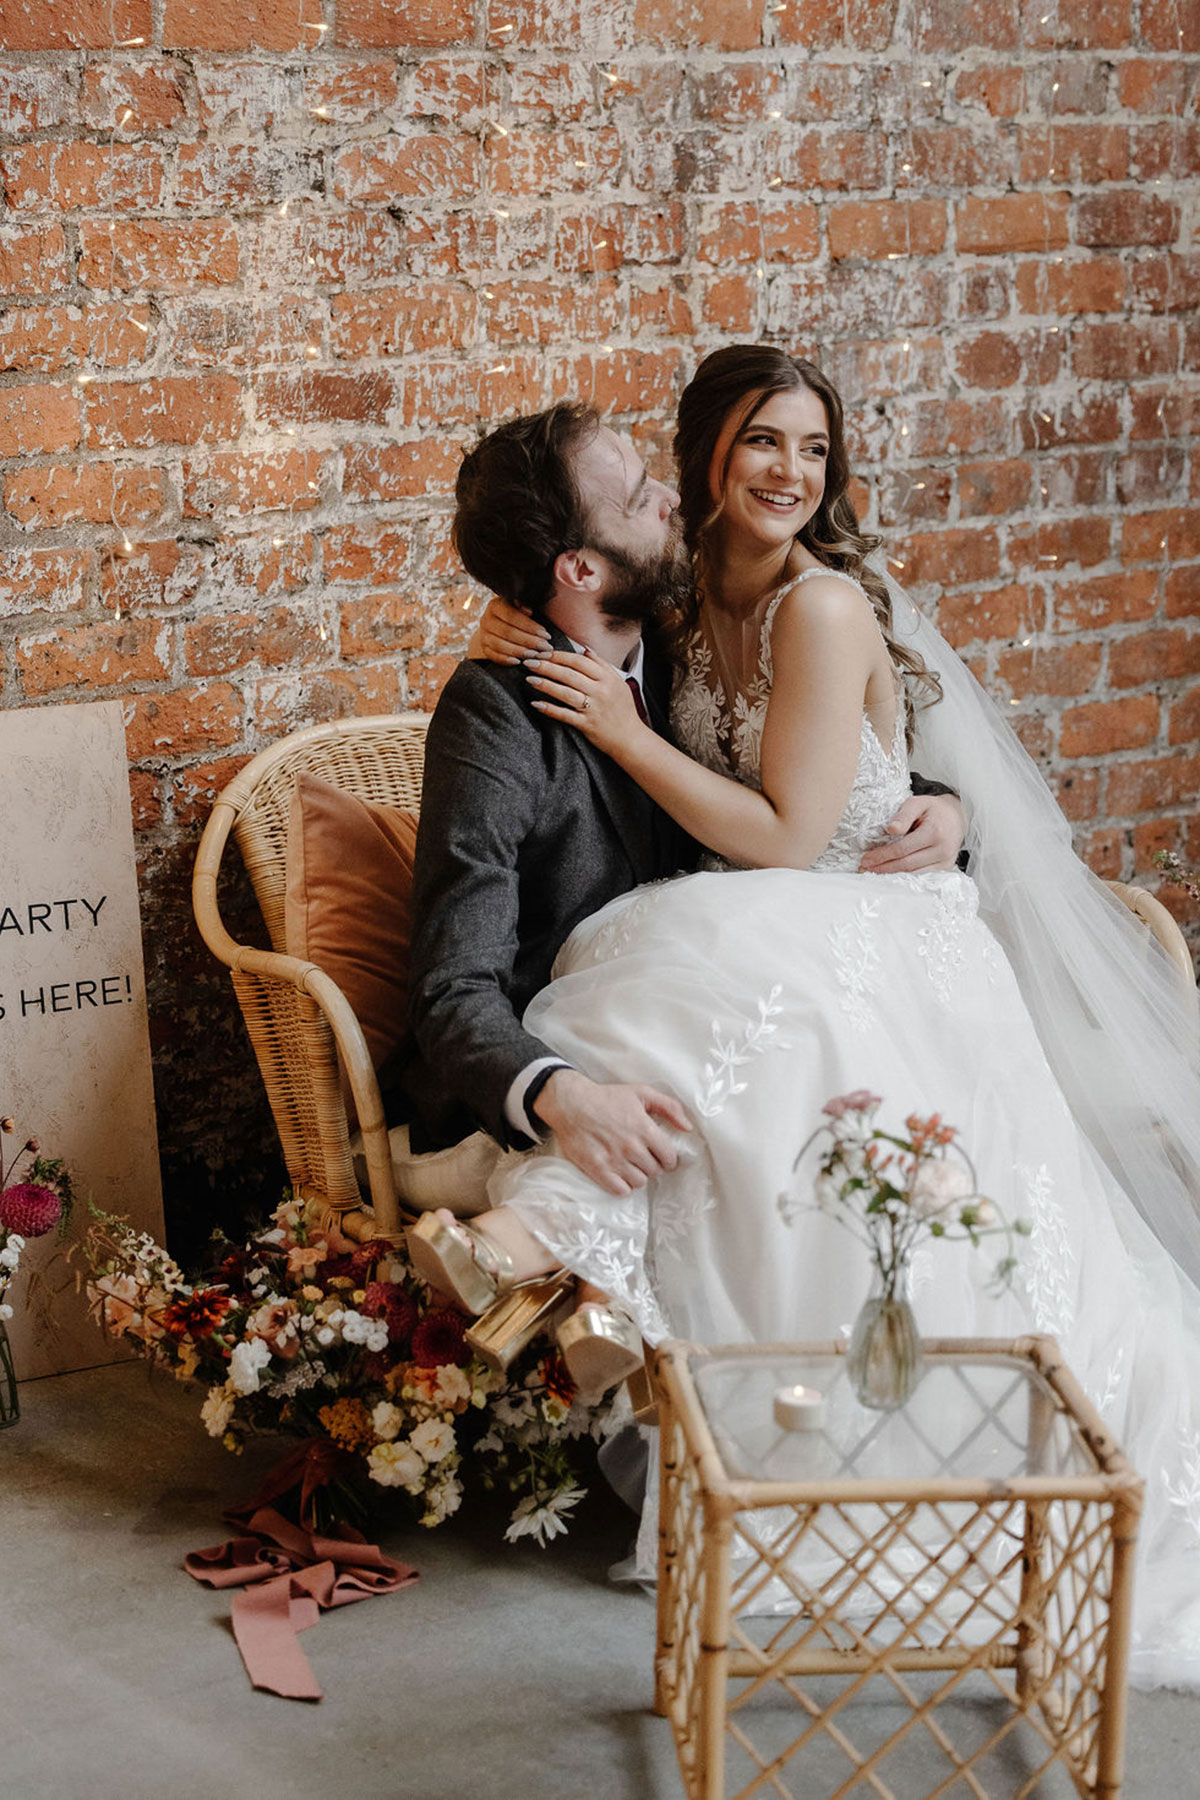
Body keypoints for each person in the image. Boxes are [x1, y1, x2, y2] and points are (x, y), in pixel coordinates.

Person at [424, 345, 1200, 1688]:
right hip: (763, 932)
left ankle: (545, 1226)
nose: (787, 473)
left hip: (854, 928)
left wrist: (950, 813)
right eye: (753, 447)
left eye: (814, 449)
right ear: (690, 478)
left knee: (720, 960)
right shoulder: (644, 628)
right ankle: (594, 1254)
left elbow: (820, 809)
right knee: (707, 973)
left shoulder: (806, 607)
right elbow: (596, 690)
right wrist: (556, 655)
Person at [397, 398, 966, 1393]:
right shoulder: (495, 716)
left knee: (813, 1033)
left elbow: (828, 775)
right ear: (578, 569)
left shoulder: (686, 630)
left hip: (722, 984)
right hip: (580, 1028)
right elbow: (454, 984)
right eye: (636, 495)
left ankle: (551, 1268)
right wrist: (560, 1095)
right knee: (780, 1038)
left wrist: (948, 814)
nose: (671, 498)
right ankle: (590, 1293)